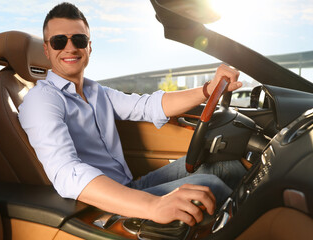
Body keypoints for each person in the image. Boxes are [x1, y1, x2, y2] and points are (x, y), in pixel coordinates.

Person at [18, 2, 246, 226]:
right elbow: (67, 172)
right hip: (101, 206)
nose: (70, 48)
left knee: (225, 164)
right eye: (59, 41)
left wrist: (208, 89)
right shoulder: (41, 100)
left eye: (79, 40)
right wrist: (152, 205)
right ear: (47, 50)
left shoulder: (96, 91)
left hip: (130, 186)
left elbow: (149, 106)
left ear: (89, 46)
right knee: (209, 187)